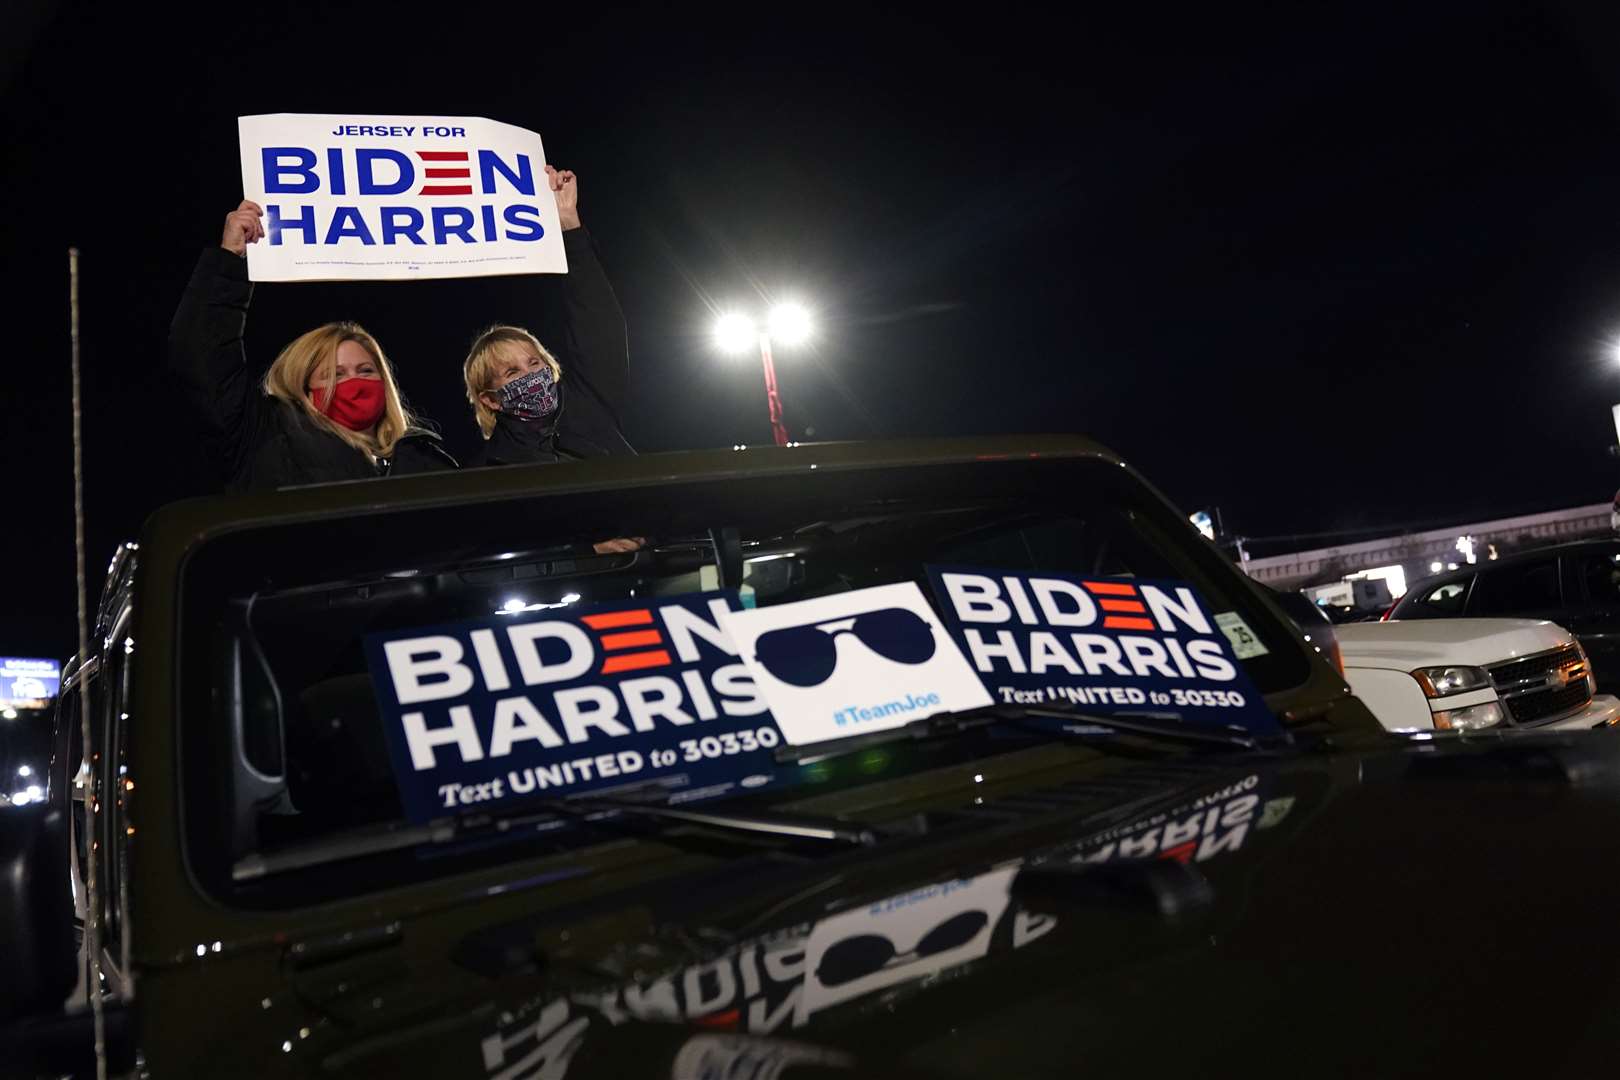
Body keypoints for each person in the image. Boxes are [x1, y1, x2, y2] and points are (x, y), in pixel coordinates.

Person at [168, 201, 458, 492]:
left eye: (366, 370)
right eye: (335, 373)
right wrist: (230, 259)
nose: (354, 381)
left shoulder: (425, 457)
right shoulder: (266, 436)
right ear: (302, 385)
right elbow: (202, 354)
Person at [462, 167, 634, 465]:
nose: (530, 375)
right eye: (512, 372)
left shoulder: (588, 403)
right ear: (489, 399)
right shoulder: (489, 471)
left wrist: (569, 226)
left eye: (534, 362)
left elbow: (598, 322)